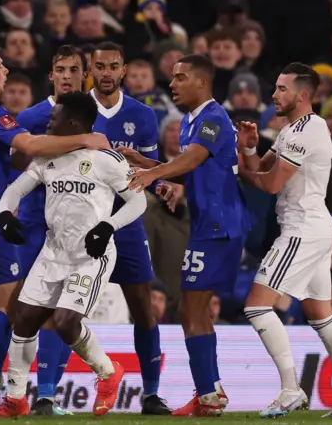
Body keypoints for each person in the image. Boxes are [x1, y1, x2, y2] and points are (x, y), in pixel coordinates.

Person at [0, 38, 108, 417]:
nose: (5, 70)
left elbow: (7, 158)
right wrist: (85, 139)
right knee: (14, 310)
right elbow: (29, 143)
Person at [0, 91, 147, 418]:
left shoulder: (107, 159)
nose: (48, 123)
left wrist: (107, 227)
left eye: (53, 118)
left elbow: (138, 201)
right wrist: (6, 214)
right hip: (53, 252)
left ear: (73, 123)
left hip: (91, 256)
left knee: (63, 323)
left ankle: (108, 372)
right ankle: (15, 399)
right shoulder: (47, 158)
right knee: (24, 319)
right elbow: (14, 190)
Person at [236, 62, 332, 418]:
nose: (274, 94)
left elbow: (269, 185)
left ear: (303, 94)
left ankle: (291, 389)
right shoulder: (300, 128)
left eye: (281, 88)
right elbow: (258, 170)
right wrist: (247, 148)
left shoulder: (300, 132)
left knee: (257, 306)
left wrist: (244, 164)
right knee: (321, 314)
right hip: (316, 227)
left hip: (301, 229)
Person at [124, 54, 246, 416]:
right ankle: (211, 390)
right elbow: (188, 172)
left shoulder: (212, 118)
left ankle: (208, 396)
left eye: (180, 77)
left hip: (220, 224)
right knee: (191, 307)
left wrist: (149, 175)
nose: (172, 84)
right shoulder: (194, 121)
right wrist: (144, 164)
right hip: (208, 223)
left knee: (189, 306)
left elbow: (191, 161)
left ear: (202, 82)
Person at [0, 44, 87, 416]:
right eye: (60, 69)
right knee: (17, 307)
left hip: (75, 231)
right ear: (51, 75)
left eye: (73, 69)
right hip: (35, 226)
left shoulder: (92, 115)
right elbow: (16, 167)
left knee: (59, 310)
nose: (67, 75)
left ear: (82, 75)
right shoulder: (32, 116)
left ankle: (47, 396)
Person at [83, 41, 171, 415]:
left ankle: (150, 393)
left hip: (128, 222)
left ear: (123, 71)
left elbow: (148, 171)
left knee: (143, 307)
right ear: (91, 68)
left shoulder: (143, 115)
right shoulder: (74, 109)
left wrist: (157, 178)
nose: (106, 73)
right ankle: (47, 394)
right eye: (100, 66)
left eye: (113, 66)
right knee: (63, 310)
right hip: (82, 221)